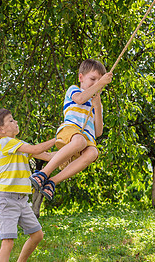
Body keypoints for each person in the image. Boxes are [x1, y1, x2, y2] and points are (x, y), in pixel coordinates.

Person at [29, 59, 113, 201]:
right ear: (81, 77)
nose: (96, 83)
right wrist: (101, 83)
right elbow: (80, 99)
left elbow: (98, 132)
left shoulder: (96, 103)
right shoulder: (74, 90)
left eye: (99, 80)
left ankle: (52, 182)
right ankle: (43, 173)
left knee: (93, 152)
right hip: (70, 130)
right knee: (79, 141)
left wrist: (98, 107)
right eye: (92, 79)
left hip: (86, 139)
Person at [0, 108, 56, 262]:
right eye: (11, 120)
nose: (15, 122)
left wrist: (71, 150)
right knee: (8, 242)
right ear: (1, 130)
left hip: (21, 200)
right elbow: (36, 149)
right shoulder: (5, 142)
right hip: (7, 199)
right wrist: (59, 137)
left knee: (37, 235)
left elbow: (48, 156)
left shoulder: (19, 144)